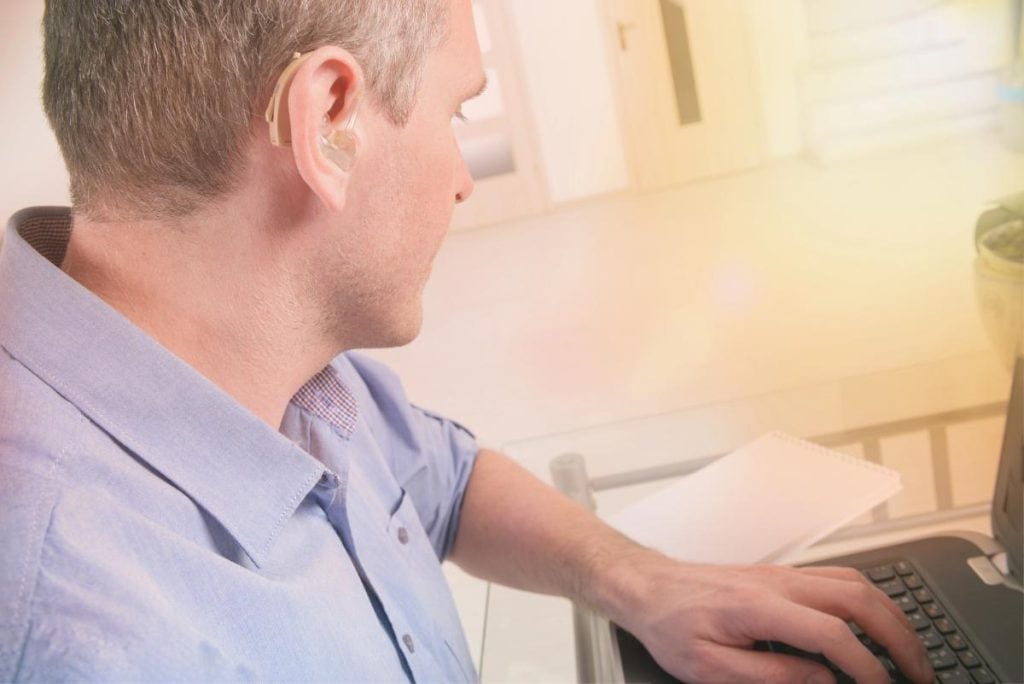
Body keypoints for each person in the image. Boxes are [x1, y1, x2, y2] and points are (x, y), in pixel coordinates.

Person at [0, 1, 934, 682]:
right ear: (329, 123)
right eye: (457, 112)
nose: (462, 178)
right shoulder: (88, 635)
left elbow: (440, 479)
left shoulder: (258, 352)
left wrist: (639, 579)